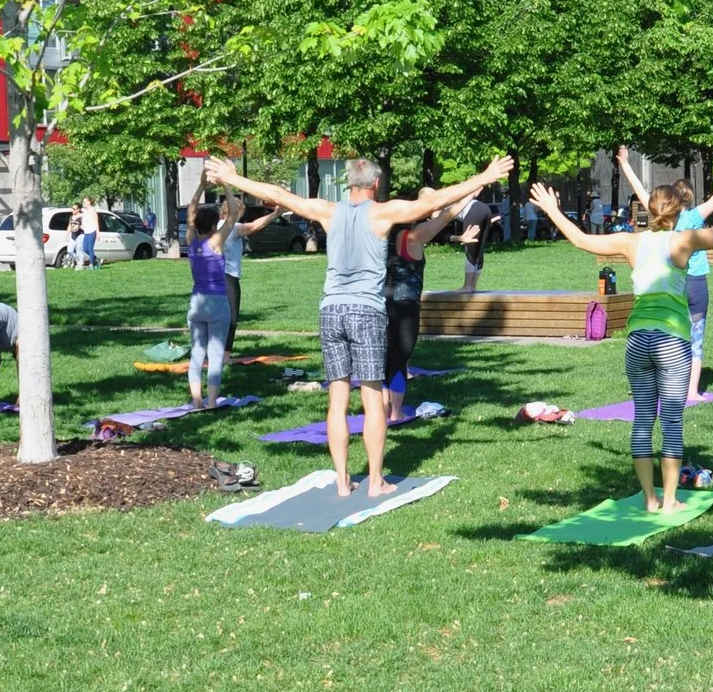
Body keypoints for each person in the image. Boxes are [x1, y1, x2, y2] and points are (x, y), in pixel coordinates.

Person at [203, 151, 514, 497]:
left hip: (331, 310)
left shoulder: (328, 211)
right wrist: (484, 177)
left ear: (349, 182)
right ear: (376, 184)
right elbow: (438, 201)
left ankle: (341, 481)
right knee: (370, 398)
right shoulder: (383, 212)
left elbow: (280, 196)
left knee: (337, 399)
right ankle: (376, 481)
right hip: (365, 311)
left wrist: (232, 178)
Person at [527, 176, 713, 511]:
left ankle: (649, 499)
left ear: (650, 210)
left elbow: (581, 239)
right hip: (671, 341)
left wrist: (553, 210)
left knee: (643, 419)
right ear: (677, 212)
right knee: (672, 421)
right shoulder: (683, 241)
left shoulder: (631, 243)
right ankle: (670, 500)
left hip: (637, 341)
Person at [619, 143, 713, 401]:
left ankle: (656, 385)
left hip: (669, 284)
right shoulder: (696, 216)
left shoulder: (662, 214)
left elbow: (640, 190)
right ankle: (690, 391)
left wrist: (624, 164)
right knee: (695, 339)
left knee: (665, 333)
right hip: (696, 285)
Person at [382, 203, 457, 414]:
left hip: (383, 305)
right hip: (406, 308)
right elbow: (444, 219)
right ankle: (396, 414)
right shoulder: (411, 237)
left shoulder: (381, 238)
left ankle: (382, 411)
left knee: (384, 360)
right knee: (399, 360)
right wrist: (471, 191)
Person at [184, 204, 234, 408]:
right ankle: (212, 402)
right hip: (217, 303)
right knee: (215, 355)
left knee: (197, 352)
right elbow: (233, 215)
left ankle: (197, 401)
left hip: (196, 304)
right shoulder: (215, 241)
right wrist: (227, 183)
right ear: (214, 226)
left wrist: (202, 186)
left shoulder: (191, 241)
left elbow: (190, 213)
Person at [220, 195, 276, 351]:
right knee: (231, 318)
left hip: (212, 277)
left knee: (215, 317)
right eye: (240, 213)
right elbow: (253, 227)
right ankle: (225, 355)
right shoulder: (232, 227)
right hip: (229, 277)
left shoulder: (215, 226)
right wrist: (274, 214)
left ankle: (210, 352)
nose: (241, 217)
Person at [455, 194, 494, 292]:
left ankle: (467, 286)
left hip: (473, 210)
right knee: (479, 250)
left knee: (470, 249)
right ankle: (472, 286)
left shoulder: (436, 205)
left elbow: (436, 217)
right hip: (485, 208)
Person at [75, 199, 101, 268]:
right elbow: (81, 219)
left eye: (84, 202)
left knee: (90, 248)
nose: (83, 203)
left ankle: (91, 264)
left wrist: (98, 233)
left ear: (89, 202)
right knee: (85, 248)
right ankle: (97, 259)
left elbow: (96, 222)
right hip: (86, 232)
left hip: (92, 231)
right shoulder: (85, 211)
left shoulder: (92, 210)